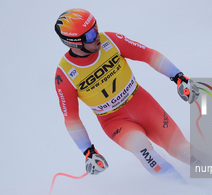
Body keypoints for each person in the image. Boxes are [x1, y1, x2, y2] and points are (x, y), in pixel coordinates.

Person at [54, 8, 199, 180]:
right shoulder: (64, 75)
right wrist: (88, 152)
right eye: (90, 36)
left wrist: (178, 77)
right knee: (141, 147)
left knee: (181, 149)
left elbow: (148, 55)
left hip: (142, 104)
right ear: (74, 43)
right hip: (114, 121)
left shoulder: (111, 41)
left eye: (95, 28)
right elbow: (71, 119)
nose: (97, 36)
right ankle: (184, 194)